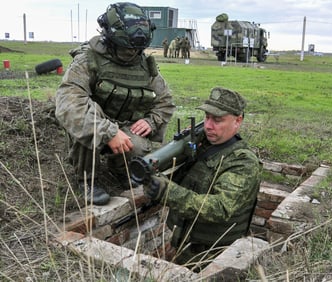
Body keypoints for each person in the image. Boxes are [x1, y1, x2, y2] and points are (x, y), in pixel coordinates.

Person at [55, 2, 176, 205]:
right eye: (126, 48)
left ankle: (121, 171)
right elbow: (69, 104)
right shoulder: (88, 60)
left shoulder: (144, 65)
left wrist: (151, 121)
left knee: (138, 145)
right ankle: (87, 181)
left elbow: (165, 102)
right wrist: (108, 132)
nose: (132, 54)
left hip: (124, 127)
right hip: (96, 125)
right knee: (89, 115)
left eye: (137, 49)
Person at [142, 87, 262, 270]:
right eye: (206, 117)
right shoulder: (203, 145)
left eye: (217, 120)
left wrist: (168, 192)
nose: (208, 125)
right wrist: (182, 149)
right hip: (185, 244)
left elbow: (220, 208)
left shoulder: (243, 163)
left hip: (213, 256)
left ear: (238, 121)